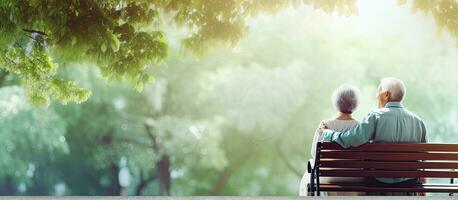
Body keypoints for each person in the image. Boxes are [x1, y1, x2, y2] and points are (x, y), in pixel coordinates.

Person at [317, 77, 428, 196]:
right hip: (409, 184)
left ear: (386, 95)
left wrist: (327, 133)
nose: (376, 96)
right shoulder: (419, 121)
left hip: (379, 183)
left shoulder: (375, 116)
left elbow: (350, 139)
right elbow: (424, 157)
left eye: (379, 91)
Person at [299, 84, 363, 196]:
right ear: (356, 103)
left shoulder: (325, 125)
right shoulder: (361, 126)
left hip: (328, 176)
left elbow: (314, 153)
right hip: (354, 176)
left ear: (336, 102)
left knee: (309, 172)